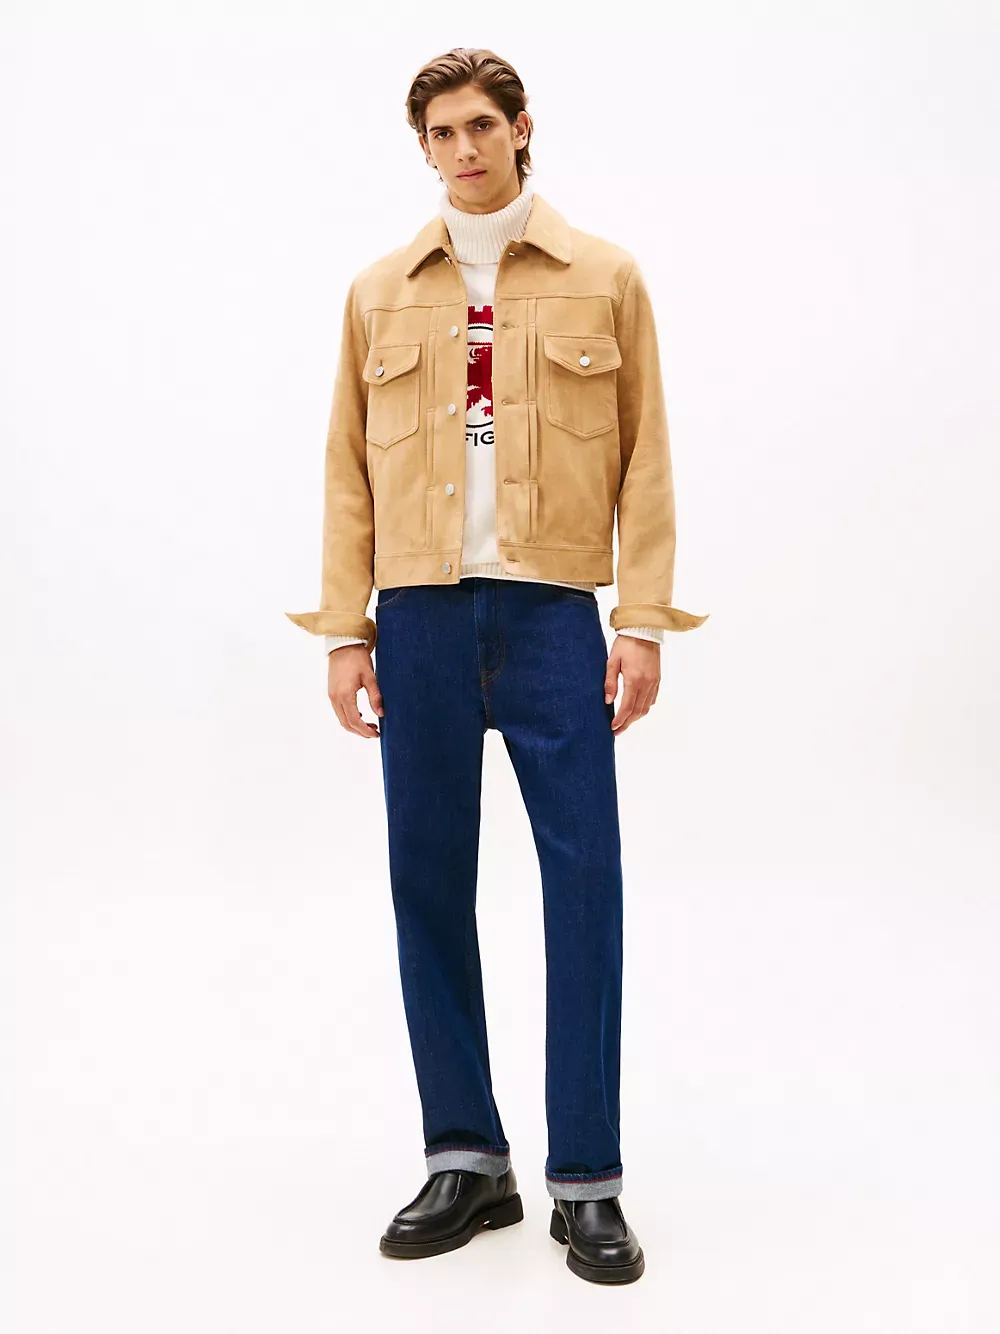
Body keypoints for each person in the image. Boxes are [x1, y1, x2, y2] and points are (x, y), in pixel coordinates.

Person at [286, 46, 709, 1285]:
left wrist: (640, 618)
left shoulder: (604, 277)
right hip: (416, 619)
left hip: (550, 617)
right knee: (425, 882)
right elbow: (343, 468)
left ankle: (587, 1178)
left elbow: (646, 454)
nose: (461, 149)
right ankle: (465, 1157)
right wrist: (346, 629)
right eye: (440, 133)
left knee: (585, 884)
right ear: (422, 147)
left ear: (522, 128)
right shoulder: (379, 291)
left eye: (480, 125)